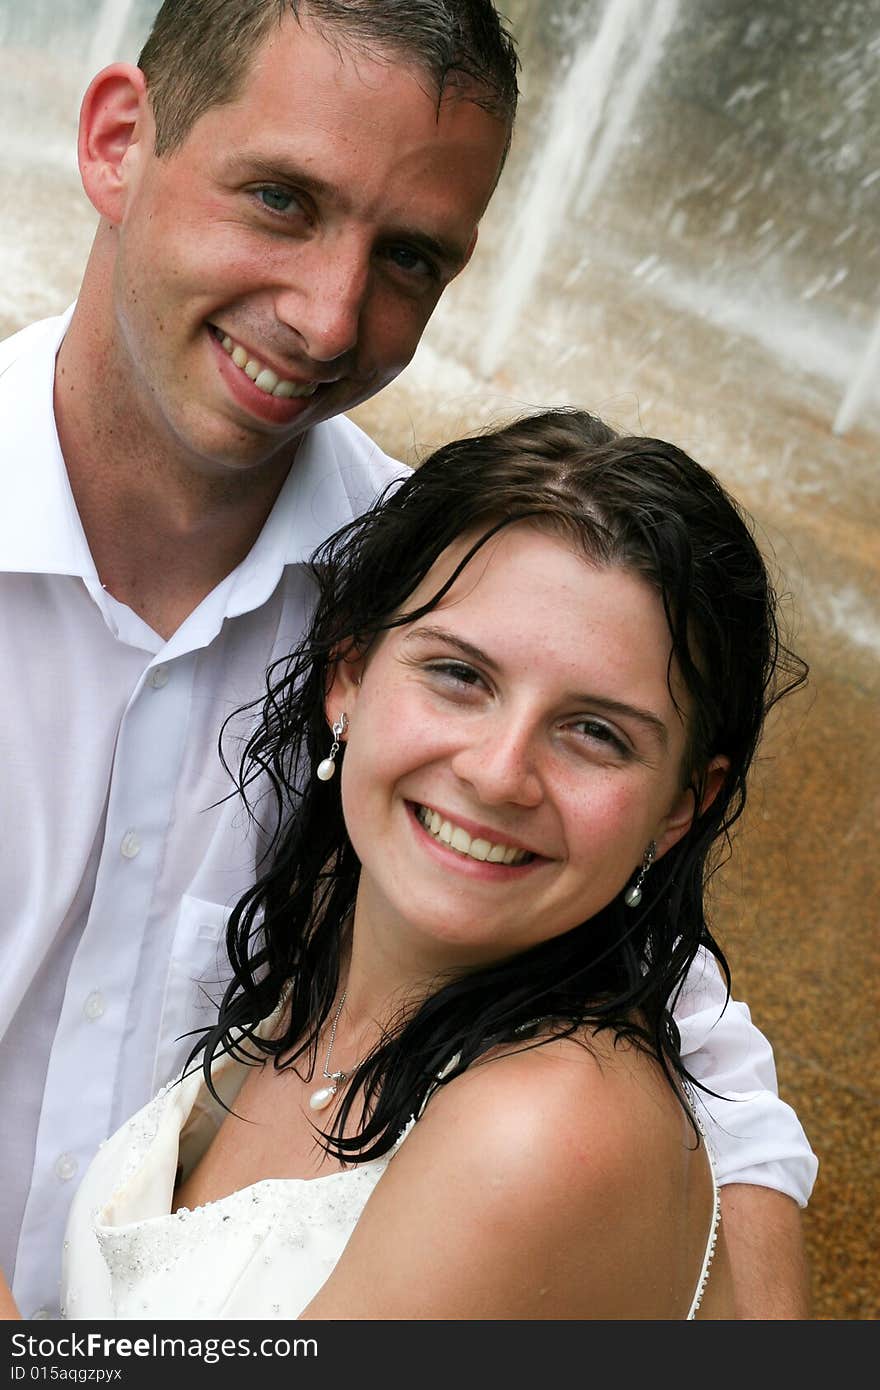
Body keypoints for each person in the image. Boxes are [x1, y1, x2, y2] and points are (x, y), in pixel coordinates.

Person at [0, 1, 815, 1322]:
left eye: (412, 260)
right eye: (279, 198)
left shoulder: (438, 610)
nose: (329, 319)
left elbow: (701, 1046)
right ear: (115, 142)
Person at [9, 407, 807, 1319]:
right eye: (461, 676)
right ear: (348, 676)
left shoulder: (540, 1132)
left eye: (595, 732)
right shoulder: (329, 935)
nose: (499, 774)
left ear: (679, 807)